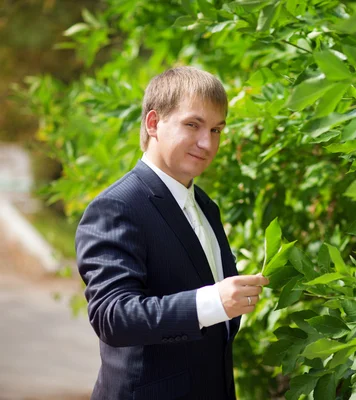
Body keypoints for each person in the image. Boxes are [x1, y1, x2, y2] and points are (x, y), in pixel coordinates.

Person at [75, 66, 269, 400]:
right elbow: (112, 317)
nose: (207, 143)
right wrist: (212, 302)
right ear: (153, 124)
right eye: (192, 125)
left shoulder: (206, 206)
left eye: (216, 130)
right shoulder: (117, 207)